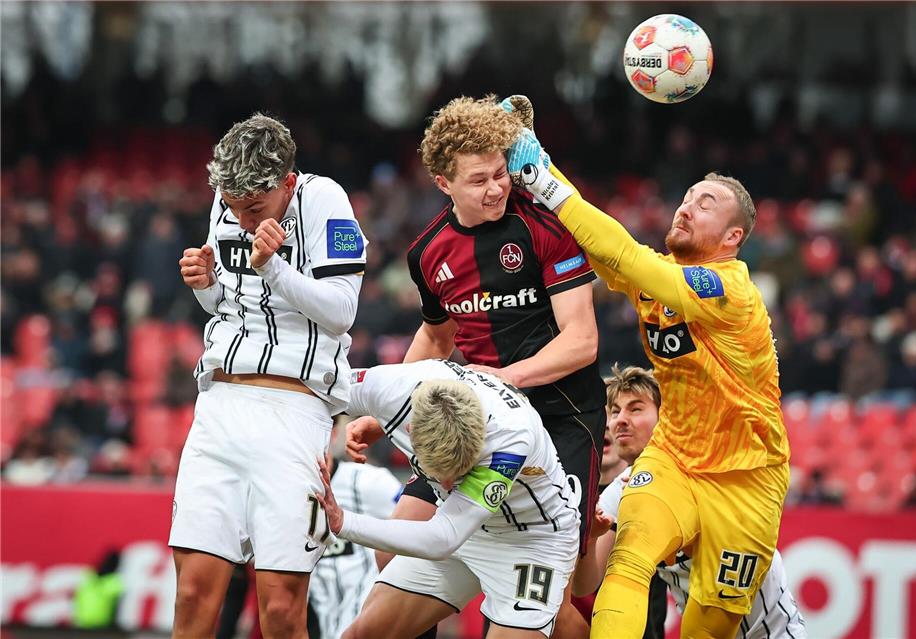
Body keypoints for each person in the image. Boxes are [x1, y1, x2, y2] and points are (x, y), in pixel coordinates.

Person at [505, 114, 791, 639]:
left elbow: (625, 254)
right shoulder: (658, 278)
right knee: (629, 562)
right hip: (675, 457)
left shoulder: (729, 290)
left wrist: (542, 176)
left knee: (711, 624)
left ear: (733, 237)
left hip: (747, 479)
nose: (686, 205)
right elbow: (601, 244)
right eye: (688, 195)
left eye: (706, 203)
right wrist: (537, 171)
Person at [353, 95, 605, 638]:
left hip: (562, 418)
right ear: (443, 183)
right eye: (478, 180)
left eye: (500, 174)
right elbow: (438, 336)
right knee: (390, 552)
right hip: (480, 424)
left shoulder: (544, 228)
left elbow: (582, 341)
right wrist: (384, 412)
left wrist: (502, 380)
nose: (495, 189)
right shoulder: (428, 253)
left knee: (563, 590)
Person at [171, 113, 367, 638]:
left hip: (293, 412)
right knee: (191, 596)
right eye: (230, 206)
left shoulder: (325, 200)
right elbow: (228, 305)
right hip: (218, 408)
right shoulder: (229, 200)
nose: (238, 217)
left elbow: (342, 310)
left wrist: (274, 268)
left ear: (285, 183)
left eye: (252, 207)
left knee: (280, 611)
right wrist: (204, 286)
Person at [320, 359, 581, 639]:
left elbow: (442, 538)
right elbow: (310, 386)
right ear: (410, 430)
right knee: (362, 635)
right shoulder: (390, 387)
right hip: (462, 525)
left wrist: (344, 522)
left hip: (532, 541)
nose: (446, 484)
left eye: (460, 473)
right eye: (437, 471)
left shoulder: (510, 439)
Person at [575, 366, 806, 639]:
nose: (620, 421)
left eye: (635, 409)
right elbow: (583, 586)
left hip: (772, 632)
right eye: (615, 411)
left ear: (668, 417)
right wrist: (590, 540)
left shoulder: (710, 465)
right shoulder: (621, 491)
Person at [309, 424, 402, 639]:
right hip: (315, 621)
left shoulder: (370, 481)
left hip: (368, 623)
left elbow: (420, 525)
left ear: (332, 433)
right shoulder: (282, 495)